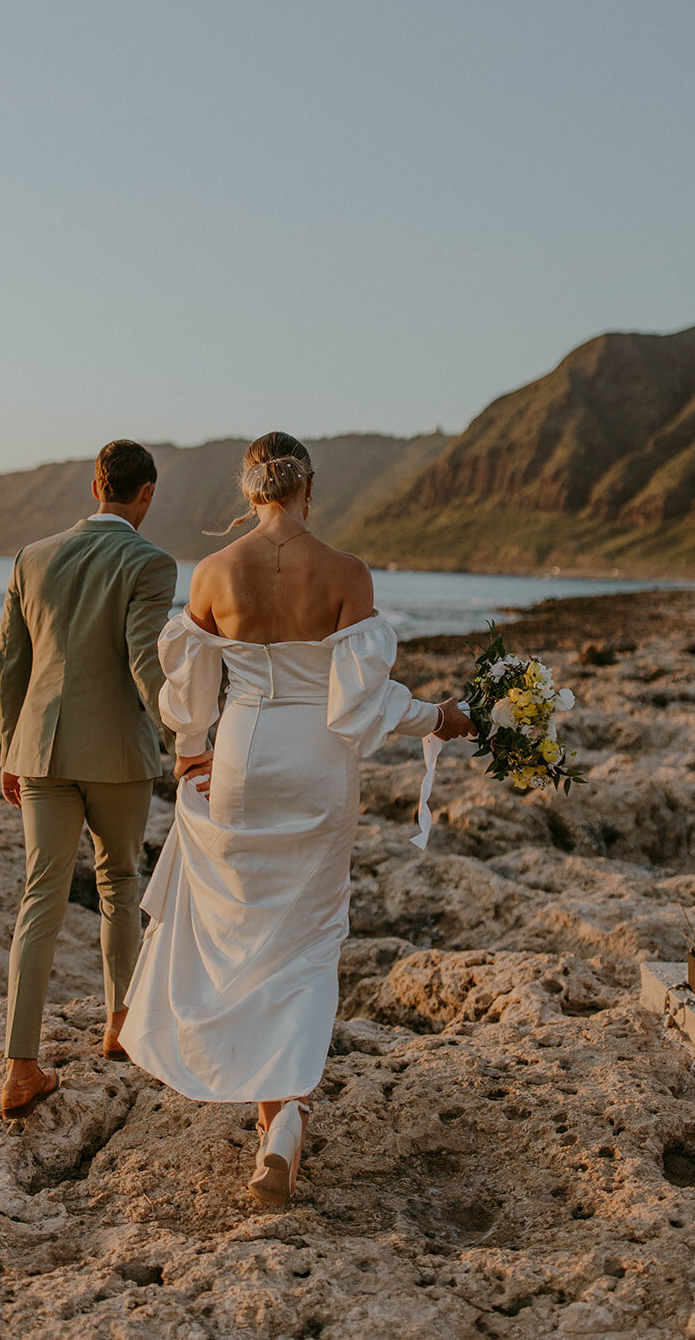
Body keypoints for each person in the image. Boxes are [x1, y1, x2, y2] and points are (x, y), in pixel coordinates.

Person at [118, 431, 475, 1203]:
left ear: (249, 491)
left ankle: (268, 1105)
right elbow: (361, 702)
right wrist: (439, 717)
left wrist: (188, 750)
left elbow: (185, 692)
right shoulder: (346, 572)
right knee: (308, 942)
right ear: (308, 487)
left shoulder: (215, 572)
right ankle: (283, 1118)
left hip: (242, 753)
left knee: (247, 930)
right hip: (316, 764)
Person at [0, 439, 177, 1118]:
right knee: (119, 882)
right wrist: (189, 738)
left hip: (39, 750)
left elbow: (10, 661)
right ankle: (119, 1024)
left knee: (39, 896)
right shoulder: (150, 561)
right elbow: (143, 661)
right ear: (145, 492)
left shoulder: (32, 556)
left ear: (94, 486)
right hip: (118, 757)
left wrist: (8, 751)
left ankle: (19, 1065)